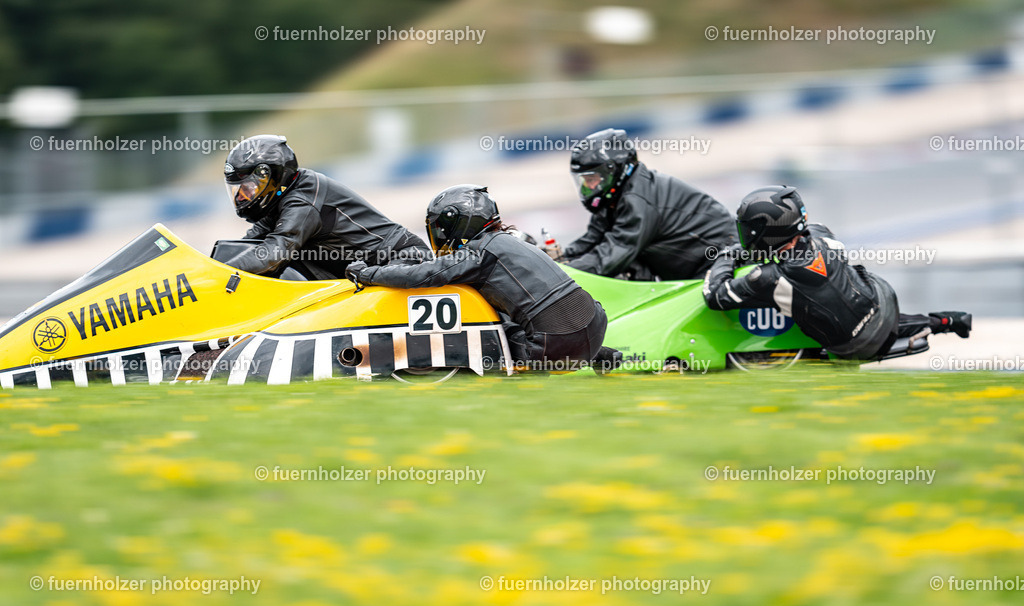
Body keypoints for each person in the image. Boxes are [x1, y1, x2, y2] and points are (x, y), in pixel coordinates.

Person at [345, 185, 615, 371]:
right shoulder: (509, 241)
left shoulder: (478, 253)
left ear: (457, 224)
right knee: (508, 313)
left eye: (440, 228)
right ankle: (598, 355)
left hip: (555, 344)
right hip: (594, 321)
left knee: (482, 331)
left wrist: (368, 274)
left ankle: (560, 361)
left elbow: (422, 275)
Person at [703, 185, 970, 360]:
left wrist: (727, 255)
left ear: (766, 230)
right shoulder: (822, 234)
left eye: (748, 229)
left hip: (851, 347)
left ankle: (939, 323)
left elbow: (715, 295)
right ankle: (945, 322)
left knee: (823, 311)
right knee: (849, 297)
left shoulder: (769, 278)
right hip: (884, 302)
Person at [222, 134, 430, 279]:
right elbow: (250, 243)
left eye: (247, 188)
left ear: (270, 177)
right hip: (362, 268)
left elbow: (274, 252)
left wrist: (220, 276)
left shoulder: (302, 199)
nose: (241, 196)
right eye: (237, 190)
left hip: (402, 259)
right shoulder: (281, 197)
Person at [560, 128, 735, 280]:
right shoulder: (614, 197)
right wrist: (558, 259)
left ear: (613, 171)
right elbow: (593, 239)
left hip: (719, 262)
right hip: (688, 268)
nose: (588, 187)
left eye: (592, 179)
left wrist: (563, 274)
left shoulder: (637, 200)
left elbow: (611, 256)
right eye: (584, 180)